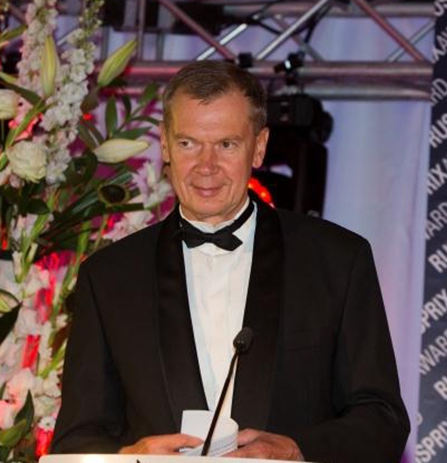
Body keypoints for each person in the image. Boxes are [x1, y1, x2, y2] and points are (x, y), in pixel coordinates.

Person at [51, 60, 409, 463]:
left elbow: (383, 420)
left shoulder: (337, 260)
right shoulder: (109, 277)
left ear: (259, 146)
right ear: (164, 145)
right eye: (188, 143)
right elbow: (74, 444)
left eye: (226, 145)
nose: (206, 167)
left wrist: (297, 450)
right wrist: (132, 456)